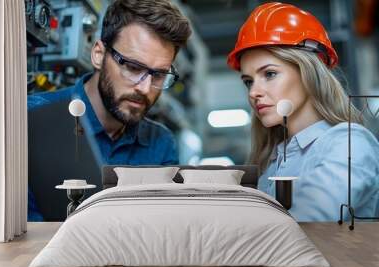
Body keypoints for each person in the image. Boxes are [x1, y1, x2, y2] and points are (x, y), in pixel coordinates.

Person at [28, 0, 192, 220]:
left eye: (159, 75)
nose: (144, 88)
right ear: (98, 54)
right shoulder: (33, 117)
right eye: (133, 67)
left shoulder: (161, 144)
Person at [227, 2, 379, 221]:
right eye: (248, 81)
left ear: (309, 72)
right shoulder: (273, 162)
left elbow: (308, 221)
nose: (254, 92)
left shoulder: (348, 143)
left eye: (269, 74)